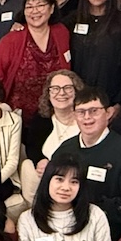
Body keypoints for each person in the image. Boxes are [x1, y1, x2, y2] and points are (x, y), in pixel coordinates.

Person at [57, 87, 121, 241]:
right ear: (74, 115)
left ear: (109, 113)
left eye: (94, 111)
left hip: (109, 233)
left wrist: (89, 210)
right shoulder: (65, 150)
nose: (87, 118)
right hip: (64, 228)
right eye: (81, 112)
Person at [0, 0, 72, 124]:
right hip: (18, 117)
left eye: (40, 5)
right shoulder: (11, 40)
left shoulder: (61, 32)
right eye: (29, 7)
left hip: (56, 114)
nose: (35, 11)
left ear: (51, 8)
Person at [21, 69, 83, 205]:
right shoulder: (41, 119)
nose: (61, 93)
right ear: (48, 94)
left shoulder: (85, 120)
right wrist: (40, 160)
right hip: (45, 178)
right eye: (55, 89)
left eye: (67, 88)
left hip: (74, 179)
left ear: (77, 92)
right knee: (27, 166)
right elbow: (32, 147)